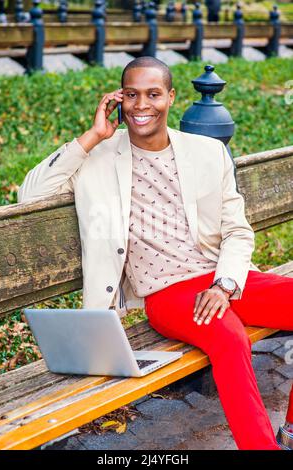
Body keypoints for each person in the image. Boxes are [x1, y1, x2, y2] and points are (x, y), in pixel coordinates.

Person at [17, 56, 293, 450]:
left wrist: (225, 283)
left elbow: (237, 231)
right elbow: (30, 194)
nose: (141, 105)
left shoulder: (206, 153)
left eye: (153, 94)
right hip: (168, 294)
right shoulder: (97, 158)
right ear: (119, 99)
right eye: (131, 95)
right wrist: (93, 135)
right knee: (229, 338)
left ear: (171, 97)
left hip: (221, 278)